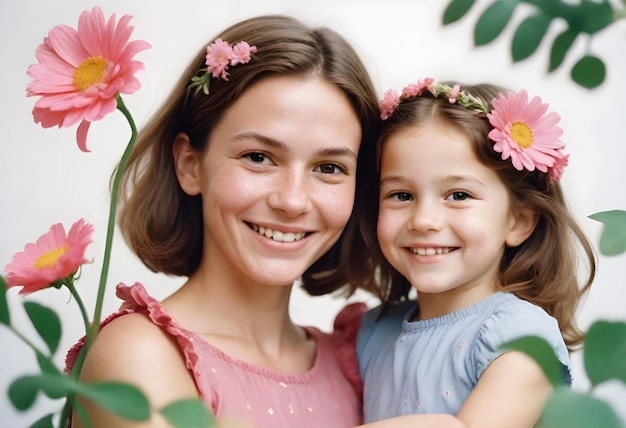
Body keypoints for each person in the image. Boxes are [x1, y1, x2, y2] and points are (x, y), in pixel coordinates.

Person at [64, 14, 381, 428]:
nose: (292, 200)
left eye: (329, 167)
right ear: (190, 165)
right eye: (258, 157)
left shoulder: (352, 364)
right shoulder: (138, 353)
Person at [340, 79, 597, 428]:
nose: (425, 220)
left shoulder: (521, 336)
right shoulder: (372, 332)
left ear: (518, 221)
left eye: (458, 195)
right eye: (401, 195)